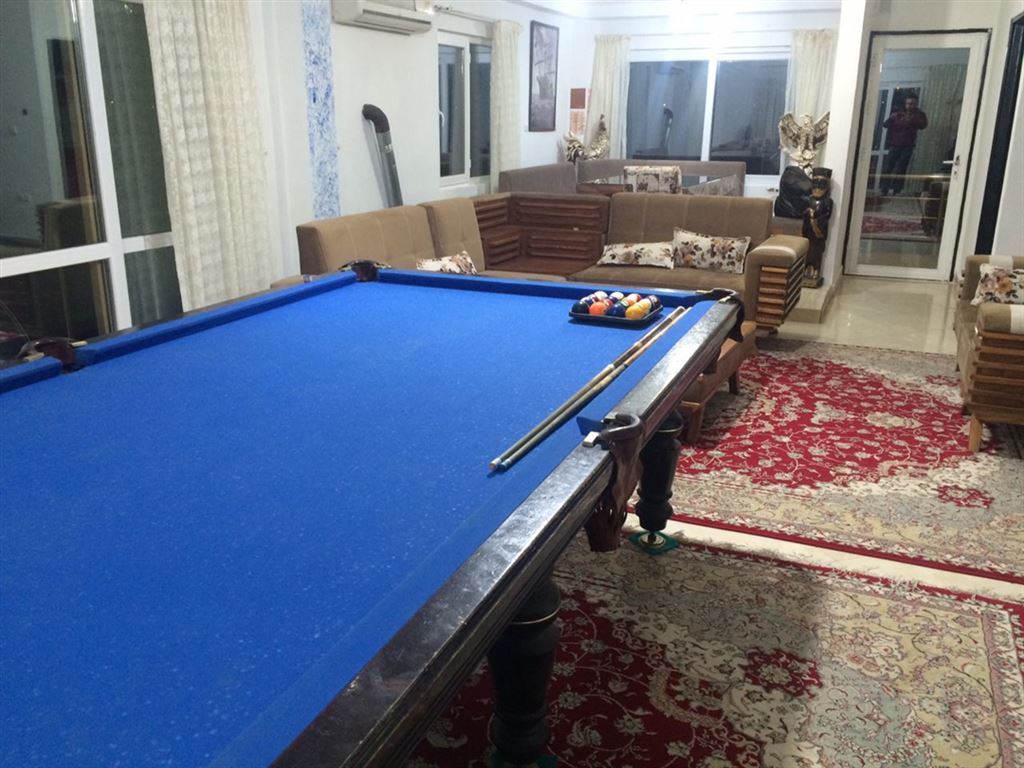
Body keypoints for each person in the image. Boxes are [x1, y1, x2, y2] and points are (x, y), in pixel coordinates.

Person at [881, 95, 928, 195]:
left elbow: (923, 125)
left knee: (901, 169)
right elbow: (885, 124)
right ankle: (884, 190)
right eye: (908, 104)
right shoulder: (898, 113)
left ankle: (896, 191)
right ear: (905, 104)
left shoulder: (919, 114)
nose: (909, 106)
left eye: (912, 104)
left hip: (907, 146)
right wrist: (893, 117)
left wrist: (912, 119)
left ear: (916, 104)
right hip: (895, 144)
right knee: (887, 167)